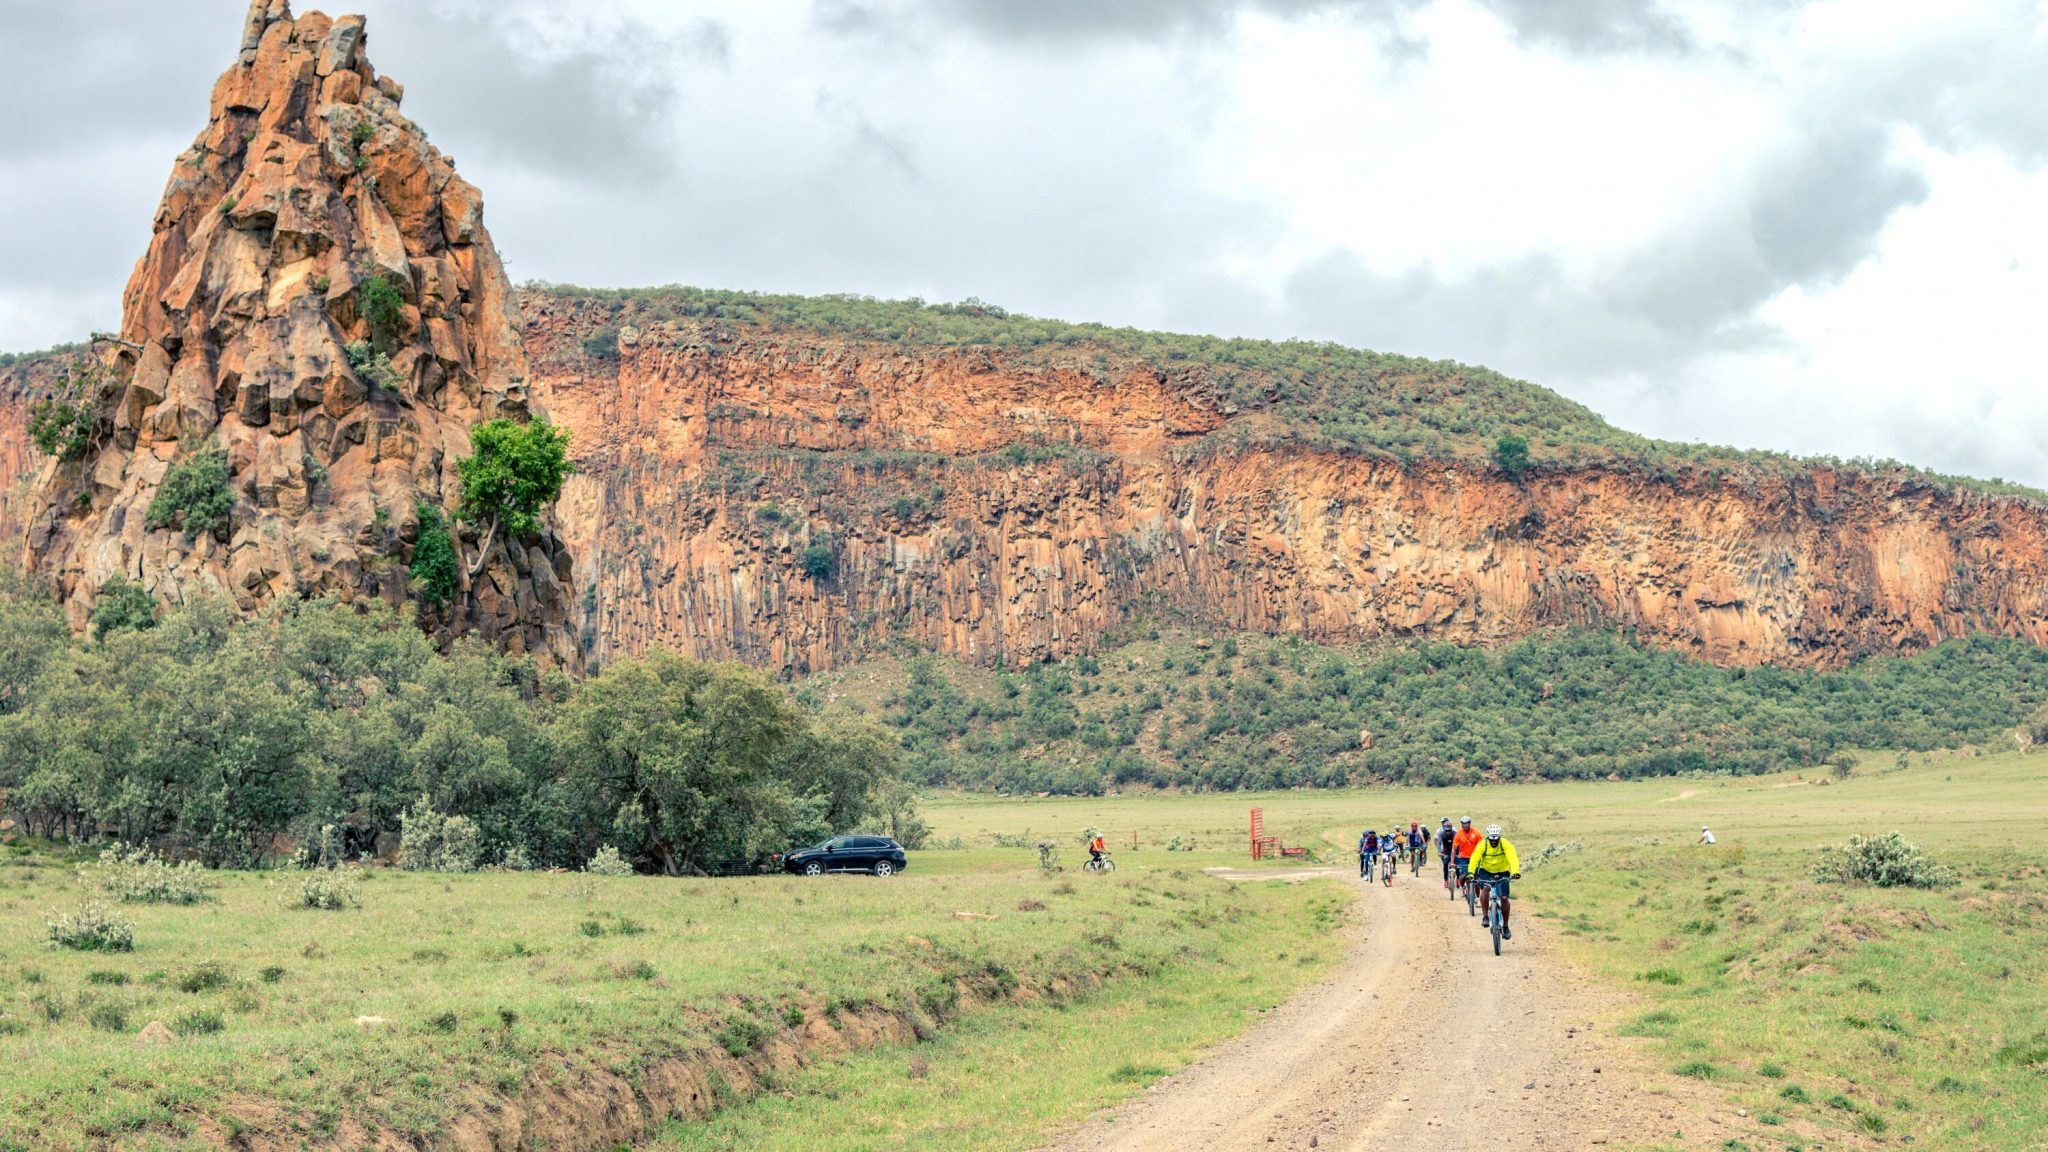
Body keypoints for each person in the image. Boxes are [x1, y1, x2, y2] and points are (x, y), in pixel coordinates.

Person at [1468, 824, 1521, 938]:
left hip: (1502, 872)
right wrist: (1471, 873)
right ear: (1488, 837)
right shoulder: (1483, 844)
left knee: (1504, 898)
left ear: (1499, 837)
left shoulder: (1505, 844)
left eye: (1496, 839)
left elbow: (1513, 857)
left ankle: (1506, 926)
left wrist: (1515, 871)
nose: (1493, 842)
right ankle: (1485, 916)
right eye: (1491, 839)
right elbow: (1475, 858)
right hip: (1486, 871)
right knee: (1485, 889)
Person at [1451, 816, 1482, 891]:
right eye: (1464, 824)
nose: (1465, 825)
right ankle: (1463, 888)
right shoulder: (1458, 834)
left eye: (1467, 823)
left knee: (1476, 879)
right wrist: (1452, 862)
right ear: (1461, 824)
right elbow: (1454, 849)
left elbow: (1482, 846)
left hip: (1475, 858)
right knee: (1463, 876)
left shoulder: (1476, 833)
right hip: (1463, 858)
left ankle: (1477, 897)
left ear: (1470, 824)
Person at [1435, 819, 1456, 886]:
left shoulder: (1455, 834)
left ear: (1451, 829)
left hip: (1455, 851)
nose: (1448, 832)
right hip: (1446, 851)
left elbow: (1460, 843)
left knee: (1457, 865)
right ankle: (1446, 880)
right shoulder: (1441, 834)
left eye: (1449, 830)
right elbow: (1438, 843)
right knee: (1445, 864)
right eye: (1446, 830)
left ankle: (1458, 879)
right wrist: (1439, 852)